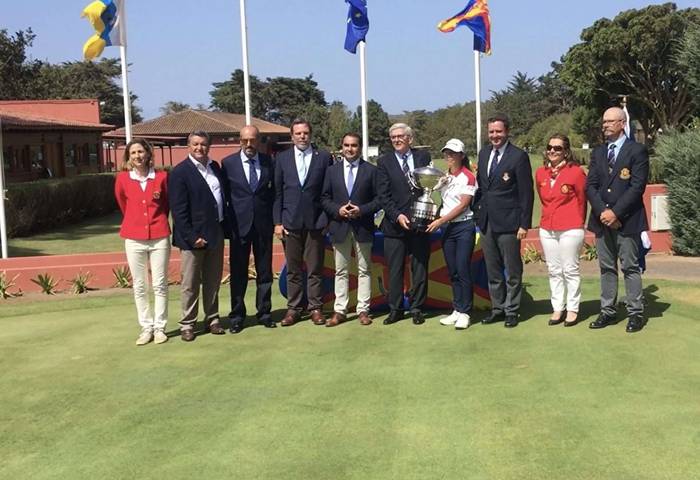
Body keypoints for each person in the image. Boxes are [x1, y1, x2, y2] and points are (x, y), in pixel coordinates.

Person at [586, 107, 649, 333]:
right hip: (602, 220)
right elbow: (591, 186)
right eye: (604, 122)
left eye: (610, 121)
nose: (605, 125)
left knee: (630, 267)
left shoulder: (637, 151)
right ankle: (608, 311)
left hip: (627, 220)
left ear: (622, 123)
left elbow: (637, 187)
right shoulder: (598, 152)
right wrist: (604, 212)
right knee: (606, 268)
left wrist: (616, 213)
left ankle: (635, 313)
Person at [169, 131, 229, 342]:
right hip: (192, 238)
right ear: (188, 146)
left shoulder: (215, 168)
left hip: (215, 233)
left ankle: (212, 318)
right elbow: (178, 211)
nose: (199, 148)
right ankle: (187, 323)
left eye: (203, 144)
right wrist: (192, 236)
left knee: (213, 281)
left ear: (208, 146)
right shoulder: (180, 172)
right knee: (190, 283)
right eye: (195, 144)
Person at [475, 114, 533, 328]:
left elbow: (526, 193)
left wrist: (524, 224)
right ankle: (497, 308)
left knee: (512, 270)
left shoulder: (518, 156)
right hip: (487, 222)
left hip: (510, 223)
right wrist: (477, 212)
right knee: (493, 270)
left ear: (507, 132)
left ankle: (512, 310)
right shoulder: (483, 154)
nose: (494, 135)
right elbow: (481, 189)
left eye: (498, 131)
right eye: (491, 132)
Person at [273, 118, 331, 327]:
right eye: (298, 133)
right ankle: (294, 309)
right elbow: (278, 193)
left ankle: (315, 307)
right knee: (293, 270)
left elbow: (328, 191)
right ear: (292, 136)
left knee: (315, 269)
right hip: (290, 222)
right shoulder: (282, 158)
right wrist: (277, 221)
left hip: (316, 222)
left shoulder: (323, 157)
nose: (302, 136)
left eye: (305, 133)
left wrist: (327, 219)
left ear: (310, 134)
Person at [114, 138, 171, 345]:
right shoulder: (122, 179)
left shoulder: (162, 177)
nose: (138, 156)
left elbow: (165, 205)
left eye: (141, 152)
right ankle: (146, 327)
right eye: (133, 153)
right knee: (139, 285)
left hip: (159, 236)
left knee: (160, 284)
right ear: (129, 157)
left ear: (148, 154)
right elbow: (122, 203)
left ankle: (160, 327)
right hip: (133, 237)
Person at [321, 132, 380, 327]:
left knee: (364, 269)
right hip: (339, 227)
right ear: (342, 147)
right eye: (346, 145)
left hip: (362, 226)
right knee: (341, 271)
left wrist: (361, 210)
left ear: (360, 147)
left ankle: (363, 309)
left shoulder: (371, 171)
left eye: (354, 145)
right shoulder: (332, 171)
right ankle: (340, 310)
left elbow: (380, 200)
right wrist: (337, 210)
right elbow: (324, 198)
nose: (350, 149)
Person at [376, 123, 432, 325]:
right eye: (393, 137)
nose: (397, 140)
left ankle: (417, 308)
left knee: (419, 268)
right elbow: (383, 195)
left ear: (410, 138)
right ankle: (396, 309)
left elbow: (428, 187)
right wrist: (397, 215)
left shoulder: (423, 157)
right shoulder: (384, 162)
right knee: (395, 270)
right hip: (394, 225)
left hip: (419, 223)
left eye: (401, 136)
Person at [221, 125, 276, 333]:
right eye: (245, 140)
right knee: (238, 273)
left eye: (253, 140)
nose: (249, 144)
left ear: (258, 140)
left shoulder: (268, 162)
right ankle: (237, 316)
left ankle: (264, 312)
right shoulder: (228, 164)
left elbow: (273, 194)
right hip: (238, 226)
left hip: (263, 225)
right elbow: (224, 197)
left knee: (264, 273)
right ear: (239, 140)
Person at [535, 134, 587, 327]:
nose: (552, 151)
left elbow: (582, 199)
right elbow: (543, 198)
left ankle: (573, 309)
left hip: (570, 227)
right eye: (550, 147)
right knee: (554, 270)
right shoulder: (541, 172)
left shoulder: (576, 172)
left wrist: (578, 221)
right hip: (547, 227)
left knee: (570, 270)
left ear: (566, 151)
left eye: (557, 148)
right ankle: (558, 307)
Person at [426, 139, 478, 330]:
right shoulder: (445, 176)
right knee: (453, 271)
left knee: (463, 269)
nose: (449, 156)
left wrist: (440, 220)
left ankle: (465, 312)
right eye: (447, 153)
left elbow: (464, 204)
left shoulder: (468, 177)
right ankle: (457, 309)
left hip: (463, 227)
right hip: (448, 228)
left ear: (461, 156)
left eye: (453, 153)